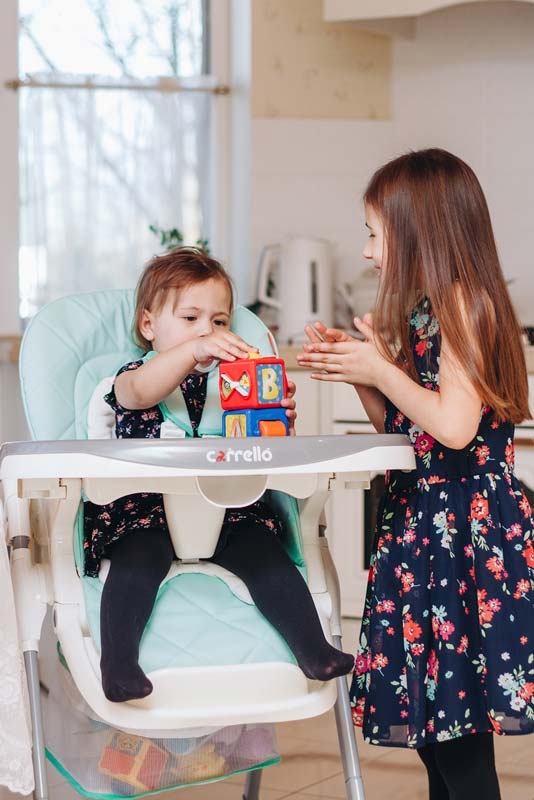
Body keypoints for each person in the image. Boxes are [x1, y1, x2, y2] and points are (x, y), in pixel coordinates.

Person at [297, 148, 534, 800]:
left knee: (457, 740)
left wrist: (382, 368)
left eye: (376, 234)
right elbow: (411, 434)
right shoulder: (432, 307)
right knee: (438, 733)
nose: (368, 251)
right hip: (428, 530)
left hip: (462, 539)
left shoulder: (464, 304)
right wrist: (365, 373)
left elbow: (455, 428)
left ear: (419, 231)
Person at [84, 246, 355, 703]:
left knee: (266, 556)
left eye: (220, 321)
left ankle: (313, 649)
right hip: (144, 512)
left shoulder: (235, 382)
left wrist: (275, 417)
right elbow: (138, 394)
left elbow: (266, 454)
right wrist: (193, 351)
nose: (207, 331)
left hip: (228, 505)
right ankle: (120, 665)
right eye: (190, 319)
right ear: (148, 325)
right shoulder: (131, 376)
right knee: (137, 563)